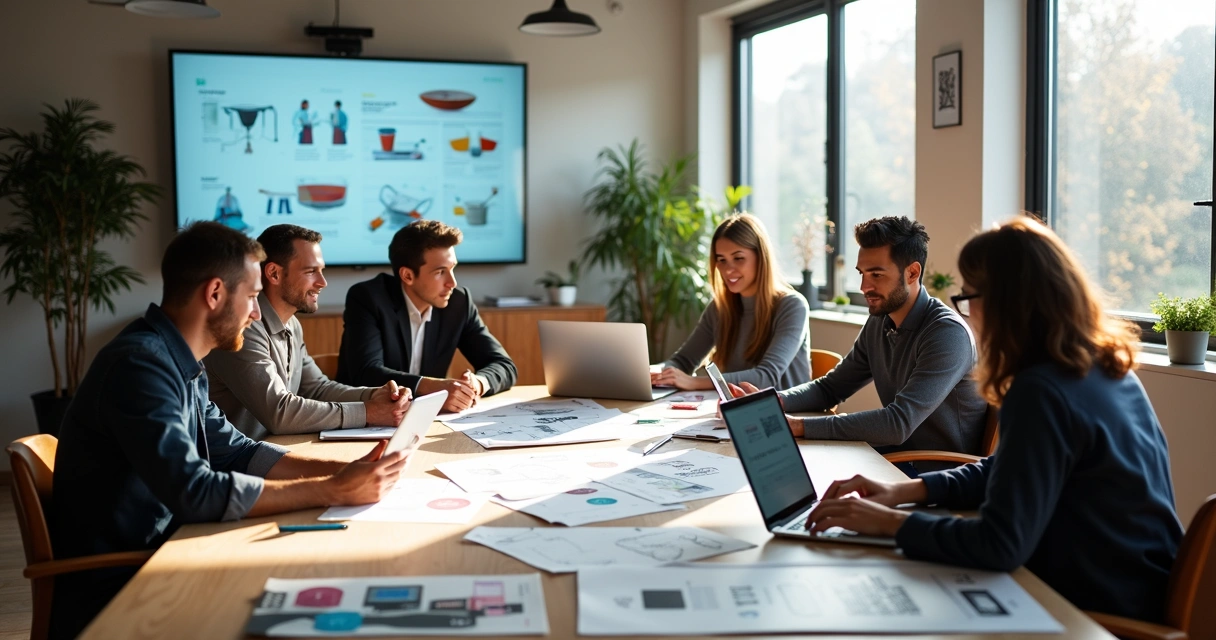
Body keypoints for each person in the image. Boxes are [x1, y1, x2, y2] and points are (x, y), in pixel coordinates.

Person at [804, 217, 1183, 623]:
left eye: (970, 297)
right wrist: (907, 492)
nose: (968, 314)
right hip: (1137, 583)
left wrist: (891, 524)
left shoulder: (1041, 388)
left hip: (1097, 607)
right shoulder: (1101, 366)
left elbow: (999, 544)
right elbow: (1008, 467)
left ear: (1009, 302)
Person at [50, 222, 412, 639]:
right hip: (127, 587)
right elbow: (195, 491)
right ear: (215, 294)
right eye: (254, 297)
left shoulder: (179, 361)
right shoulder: (140, 366)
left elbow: (239, 452)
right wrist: (331, 490)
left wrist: (340, 472)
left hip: (173, 550)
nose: (257, 313)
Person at [733, 216, 987, 466]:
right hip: (896, 458)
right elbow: (830, 388)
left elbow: (897, 424)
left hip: (938, 472)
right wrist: (775, 401)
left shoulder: (947, 334)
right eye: (862, 273)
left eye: (876, 274)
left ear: (912, 273)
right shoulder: (880, 321)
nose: (864, 287)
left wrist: (798, 426)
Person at [204, 224, 411, 440]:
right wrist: (369, 412)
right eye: (311, 271)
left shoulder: (292, 324)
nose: (322, 282)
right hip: (243, 457)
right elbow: (279, 412)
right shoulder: (244, 327)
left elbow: (317, 389)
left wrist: (375, 395)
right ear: (274, 273)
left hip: (275, 448)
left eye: (321, 270)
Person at [337, 220, 517, 413]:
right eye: (440, 272)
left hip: (426, 419)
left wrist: (477, 383)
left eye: (452, 268)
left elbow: (504, 365)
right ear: (407, 275)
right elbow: (366, 373)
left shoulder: (458, 303)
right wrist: (433, 387)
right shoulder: (368, 298)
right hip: (366, 416)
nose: (452, 283)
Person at [651, 213, 811, 391]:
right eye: (721, 260)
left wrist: (693, 382)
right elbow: (683, 360)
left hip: (782, 408)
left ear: (761, 257)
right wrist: (654, 373)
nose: (727, 270)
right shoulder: (720, 309)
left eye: (738, 258)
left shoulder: (792, 306)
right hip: (736, 405)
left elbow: (766, 376)